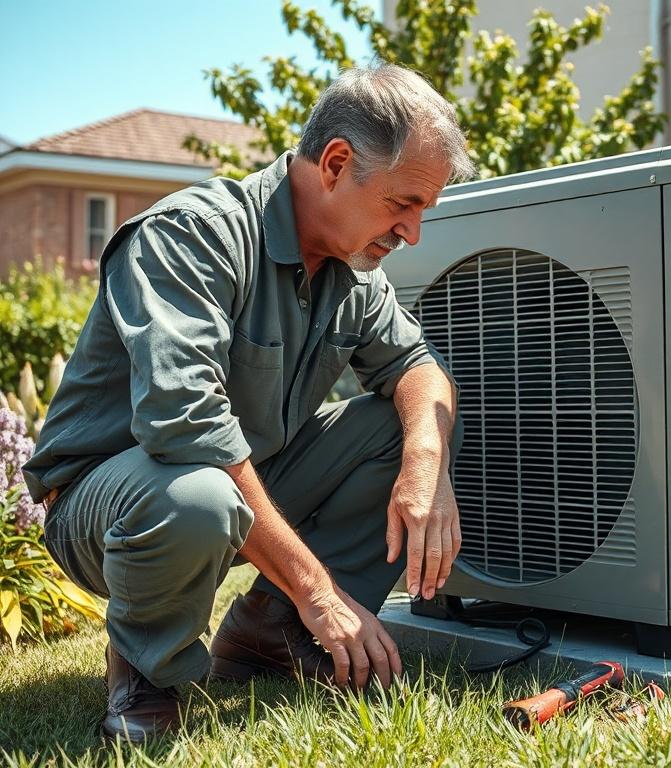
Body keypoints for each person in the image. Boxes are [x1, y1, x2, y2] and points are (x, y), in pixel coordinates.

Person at [22, 63, 476, 742]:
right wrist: (319, 590)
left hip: (235, 487)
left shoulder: (351, 272)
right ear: (336, 162)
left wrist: (426, 465)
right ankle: (147, 668)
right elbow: (187, 428)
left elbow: (419, 367)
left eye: (423, 212)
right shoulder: (192, 234)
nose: (412, 231)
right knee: (198, 495)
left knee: (406, 426)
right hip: (112, 501)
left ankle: (269, 630)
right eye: (401, 204)